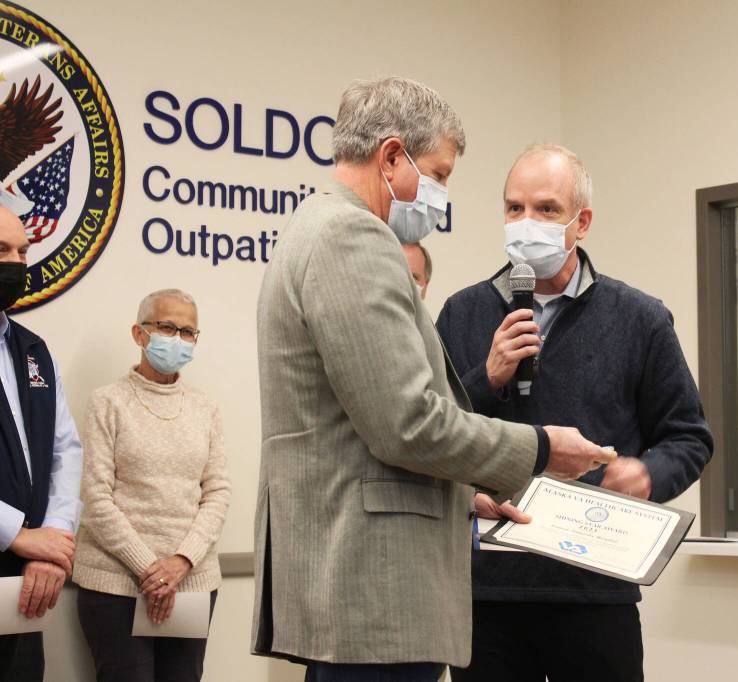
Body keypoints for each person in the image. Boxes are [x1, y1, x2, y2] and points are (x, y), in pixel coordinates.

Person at [251, 78, 612, 681]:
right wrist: (544, 448)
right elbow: (408, 424)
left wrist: (461, 496)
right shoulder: (353, 236)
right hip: (375, 586)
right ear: (392, 157)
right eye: (439, 174)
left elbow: (356, 432)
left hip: (357, 578)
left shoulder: (314, 228)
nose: (442, 194)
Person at [436, 144, 714, 682]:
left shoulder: (640, 319)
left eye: (546, 209)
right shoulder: (463, 312)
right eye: (514, 208)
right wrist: (487, 378)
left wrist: (647, 474)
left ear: (581, 222)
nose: (526, 223)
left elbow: (689, 437)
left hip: (593, 589)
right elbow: (432, 431)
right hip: (486, 591)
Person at [73, 289, 231, 682]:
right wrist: (150, 569)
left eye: (188, 332)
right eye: (167, 327)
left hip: (191, 582)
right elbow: (95, 496)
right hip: (116, 585)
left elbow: (218, 492)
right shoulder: (107, 402)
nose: (178, 339)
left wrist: (181, 562)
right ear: (139, 333)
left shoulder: (206, 408)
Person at [0, 207, 83, 682]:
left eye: (23, 252)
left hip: (25, 586)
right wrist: (16, 534)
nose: (16, 263)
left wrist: (51, 540)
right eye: (2, 250)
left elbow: (65, 450)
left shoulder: (33, 350)